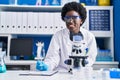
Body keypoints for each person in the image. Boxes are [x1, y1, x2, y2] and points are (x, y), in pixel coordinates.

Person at [36, 2, 97, 71]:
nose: (70, 21)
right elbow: (53, 58)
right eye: (67, 18)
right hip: (62, 73)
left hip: (82, 72)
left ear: (81, 20)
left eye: (74, 17)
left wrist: (82, 63)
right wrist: (47, 66)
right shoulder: (58, 36)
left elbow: (91, 57)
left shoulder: (89, 37)